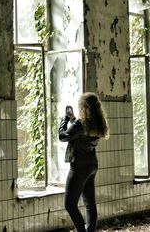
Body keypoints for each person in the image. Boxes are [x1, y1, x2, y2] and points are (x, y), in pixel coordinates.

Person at [59, 92, 109, 232]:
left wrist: (64, 120)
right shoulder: (97, 123)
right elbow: (81, 133)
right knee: (89, 204)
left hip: (79, 167)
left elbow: (63, 136)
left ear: (84, 107)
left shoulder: (80, 124)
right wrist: (73, 119)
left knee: (70, 205)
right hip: (91, 165)